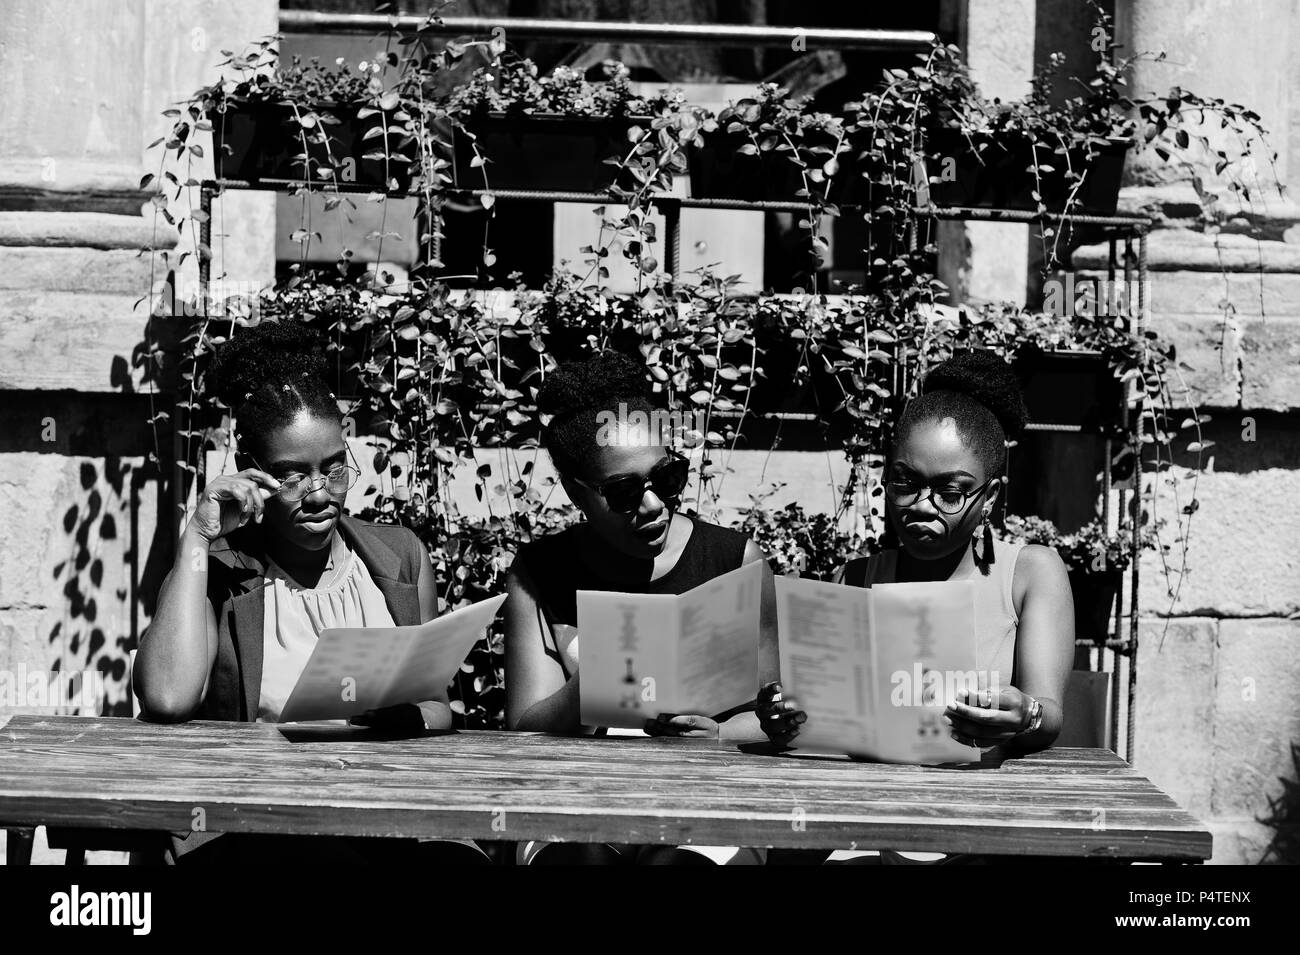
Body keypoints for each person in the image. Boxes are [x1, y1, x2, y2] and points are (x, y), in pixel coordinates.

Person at [135, 320, 487, 864]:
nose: (321, 493)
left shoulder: (398, 558)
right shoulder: (222, 572)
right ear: (252, 474)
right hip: (257, 826)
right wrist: (198, 537)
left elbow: (437, 710)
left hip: (383, 815)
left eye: (334, 467)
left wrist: (403, 720)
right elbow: (166, 697)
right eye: (293, 475)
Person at [758, 350, 1074, 864]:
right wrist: (786, 718)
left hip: (983, 821)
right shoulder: (858, 579)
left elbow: (1049, 714)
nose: (922, 506)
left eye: (951, 492)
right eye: (905, 482)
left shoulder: (1029, 573)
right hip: (870, 817)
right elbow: (824, 727)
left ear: (990, 497)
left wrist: (1025, 715)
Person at [503, 351, 778, 864]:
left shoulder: (734, 559)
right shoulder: (540, 571)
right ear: (574, 492)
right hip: (576, 802)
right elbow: (524, 731)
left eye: (667, 478)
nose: (654, 504)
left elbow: (773, 715)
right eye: (624, 492)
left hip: (704, 800)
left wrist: (718, 734)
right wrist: (592, 688)